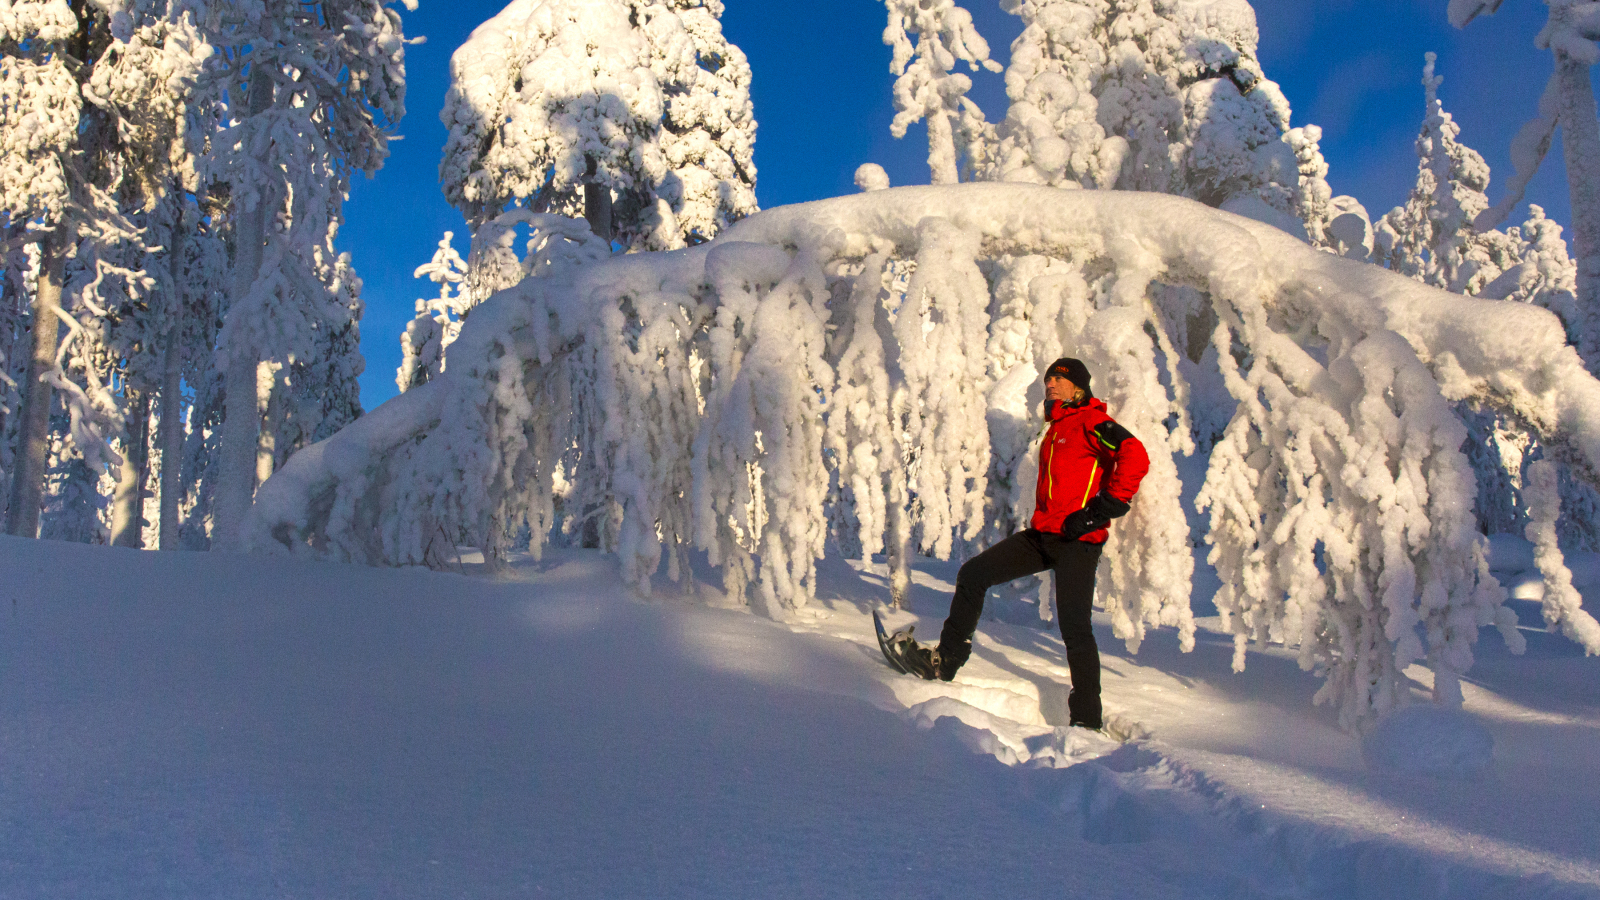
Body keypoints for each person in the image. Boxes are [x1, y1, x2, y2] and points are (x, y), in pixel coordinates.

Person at [901, 357, 1149, 730]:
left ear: (1078, 387)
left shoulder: (1093, 422)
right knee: (974, 574)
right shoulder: (1057, 427)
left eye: (1059, 380)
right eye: (1048, 379)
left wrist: (1102, 509)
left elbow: (1135, 455)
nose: (1050, 384)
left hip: (1078, 541)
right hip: (1043, 536)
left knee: (1075, 629)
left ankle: (1086, 721)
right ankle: (945, 662)